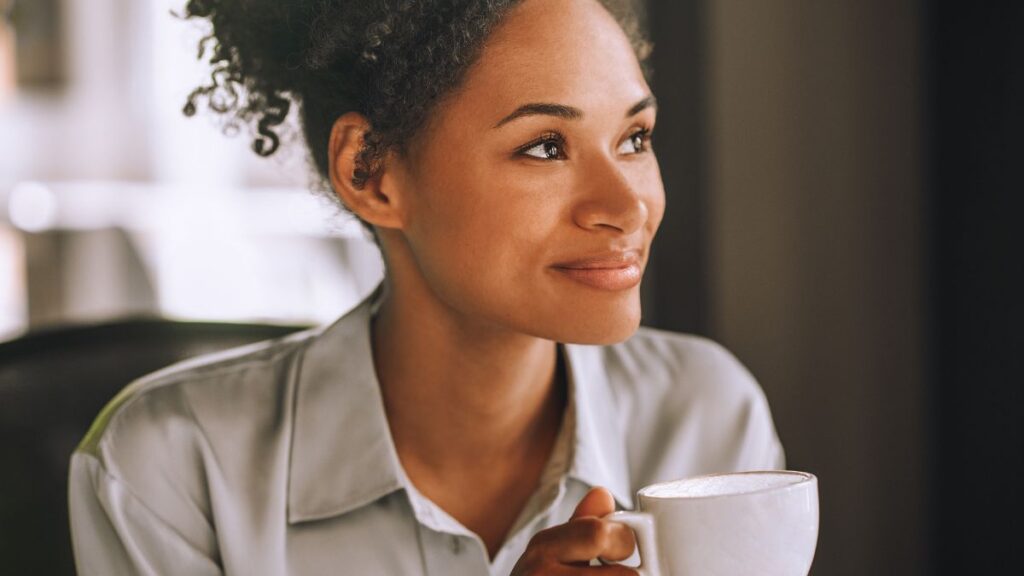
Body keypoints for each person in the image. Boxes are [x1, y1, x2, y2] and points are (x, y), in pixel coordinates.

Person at [68, 0, 785, 574]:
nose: (626, 206)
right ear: (371, 174)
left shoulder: (708, 419)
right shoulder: (169, 468)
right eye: (545, 147)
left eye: (634, 138)